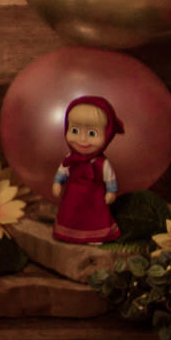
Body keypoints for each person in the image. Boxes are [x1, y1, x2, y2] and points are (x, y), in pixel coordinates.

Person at [51, 95, 123, 244]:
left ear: (107, 134)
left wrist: (111, 192)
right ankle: (69, 233)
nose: (82, 139)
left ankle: (95, 236)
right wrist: (58, 183)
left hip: (94, 197)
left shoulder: (102, 163)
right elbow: (63, 171)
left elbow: (110, 178)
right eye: (75, 130)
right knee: (71, 214)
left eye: (92, 133)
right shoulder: (71, 158)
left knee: (95, 217)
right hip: (73, 195)